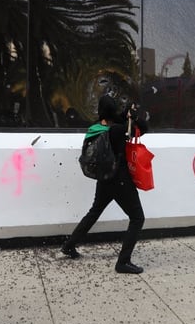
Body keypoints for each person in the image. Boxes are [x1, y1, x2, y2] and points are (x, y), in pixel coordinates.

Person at [61, 95, 149, 274]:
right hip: (120, 180)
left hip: (104, 179)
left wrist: (125, 113)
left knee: (94, 212)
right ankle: (123, 262)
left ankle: (69, 245)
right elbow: (143, 129)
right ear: (114, 110)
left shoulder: (96, 127)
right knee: (137, 218)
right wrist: (135, 116)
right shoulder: (118, 130)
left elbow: (117, 121)